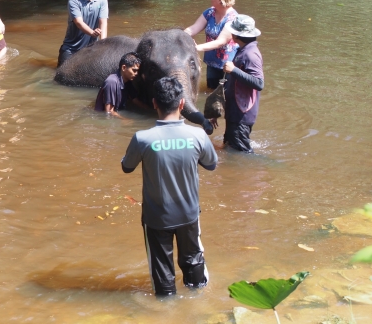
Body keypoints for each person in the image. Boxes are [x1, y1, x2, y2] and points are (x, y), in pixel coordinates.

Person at [121, 77, 218, 296]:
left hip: (157, 217)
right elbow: (211, 165)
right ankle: (199, 303)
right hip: (189, 213)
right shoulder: (198, 135)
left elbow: (127, 167)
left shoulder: (142, 139)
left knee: (162, 271)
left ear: (154, 102)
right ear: (182, 103)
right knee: (194, 261)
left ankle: (167, 309)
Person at [216, 15, 264, 153]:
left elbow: (259, 83)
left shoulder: (250, 54)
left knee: (242, 155)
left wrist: (234, 70)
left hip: (241, 114)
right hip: (235, 111)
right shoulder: (243, 50)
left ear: (235, 35)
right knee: (230, 147)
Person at [184, 0, 238, 89]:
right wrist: (181, 36)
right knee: (210, 90)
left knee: (225, 94)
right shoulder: (210, 13)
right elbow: (194, 28)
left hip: (227, 65)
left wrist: (195, 48)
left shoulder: (233, 18)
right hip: (211, 61)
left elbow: (220, 42)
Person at [57, 0, 108, 67]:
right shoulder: (74, 1)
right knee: (60, 78)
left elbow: (103, 22)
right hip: (72, 48)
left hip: (91, 48)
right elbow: (79, 23)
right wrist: (93, 33)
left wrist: (102, 43)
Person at [94, 52, 141, 117]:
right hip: (101, 118)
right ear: (124, 68)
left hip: (117, 112)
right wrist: (125, 120)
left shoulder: (127, 81)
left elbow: (135, 100)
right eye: (134, 70)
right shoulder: (111, 82)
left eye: (137, 71)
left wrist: (150, 111)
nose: (136, 74)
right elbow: (109, 112)